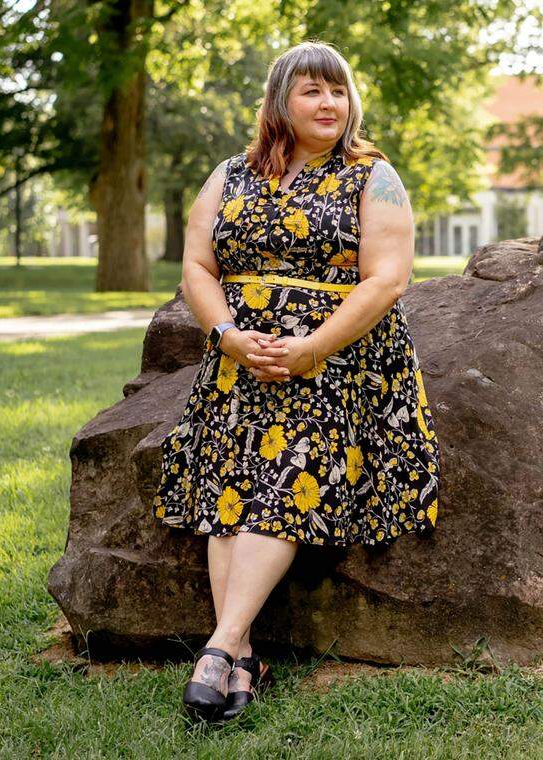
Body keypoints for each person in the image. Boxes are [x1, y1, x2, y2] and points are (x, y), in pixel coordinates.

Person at [151, 40, 441, 723]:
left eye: (338, 91)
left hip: (339, 361)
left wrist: (310, 348)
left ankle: (219, 648)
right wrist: (226, 335)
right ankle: (241, 656)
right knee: (230, 488)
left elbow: (388, 278)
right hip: (238, 360)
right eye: (312, 91)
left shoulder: (372, 174)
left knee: (284, 475)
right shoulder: (231, 174)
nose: (329, 104)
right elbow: (197, 267)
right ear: (280, 100)